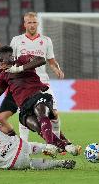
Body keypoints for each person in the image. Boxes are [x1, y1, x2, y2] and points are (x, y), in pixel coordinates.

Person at [0, 45, 81, 156]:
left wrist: (19, 69)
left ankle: (50, 145)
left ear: (10, 57)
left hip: (38, 96)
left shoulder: (22, 60)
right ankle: (67, 147)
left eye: (1, 59)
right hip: (24, 107)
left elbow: (41, 60)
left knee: (41, 112)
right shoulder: (4, 75)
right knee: (38, 127)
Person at [9, 12, 64, 141]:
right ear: (24, 24)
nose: (32, 25)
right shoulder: (16, 40)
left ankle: (56, 142)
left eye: (34, 22)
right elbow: (11, 61)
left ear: (38, 23)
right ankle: (24, 145)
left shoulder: (46, 41)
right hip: (23, 85)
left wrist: (57, 69)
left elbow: (51, 60)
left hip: (42, 83)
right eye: (29, 22)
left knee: (54, 114)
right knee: (25, 115)